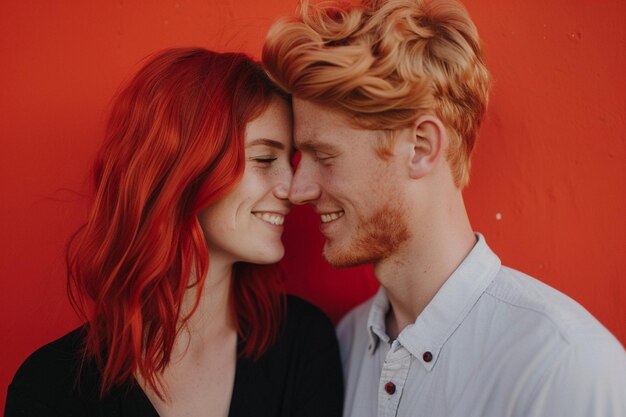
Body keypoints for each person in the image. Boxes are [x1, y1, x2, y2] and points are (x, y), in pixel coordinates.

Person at [262, 0, 626, 416]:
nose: (298, 189)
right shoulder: (343, 345)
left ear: (421, 148)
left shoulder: (563, 367)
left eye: (324, 157)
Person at [5, 48, 343, 417]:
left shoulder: (302, 345)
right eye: (264, 159)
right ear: (183, 172)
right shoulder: (51, 387)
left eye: (289, 161)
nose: (293, 187)